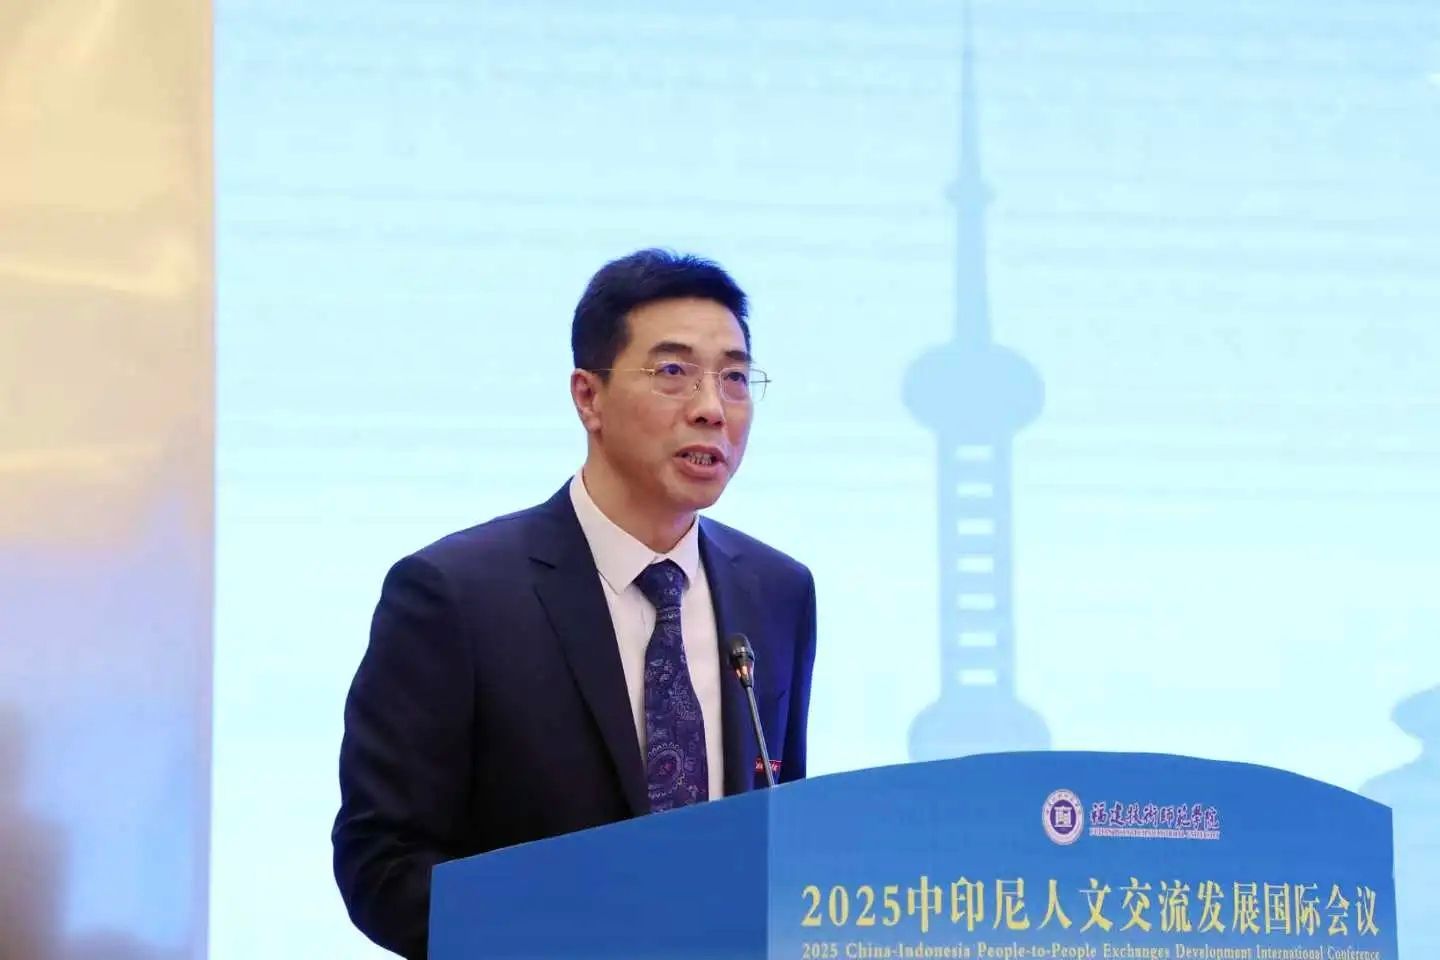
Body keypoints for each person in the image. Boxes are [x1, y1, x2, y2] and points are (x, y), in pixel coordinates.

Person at [331, 248, 819, 959]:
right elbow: (383, 863)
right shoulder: (454, 595)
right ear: (588, 397)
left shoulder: (777, 591)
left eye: (735, 378)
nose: (712, 409)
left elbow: (781, 832)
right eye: (673, 372)